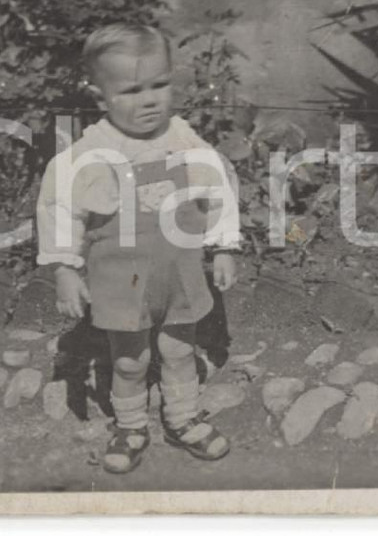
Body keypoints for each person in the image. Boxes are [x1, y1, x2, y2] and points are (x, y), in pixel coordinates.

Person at [36, 24, 241, 474]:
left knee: (179, 350)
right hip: (121, 278)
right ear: (99, 94)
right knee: (130, 359)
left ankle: (183, 417)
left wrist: (224, 245)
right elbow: (60, 207)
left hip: (179, 272)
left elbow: (217, 186)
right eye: (131, 91)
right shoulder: (90, 154)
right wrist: (65, 268)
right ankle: (130, 425)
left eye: (159, 85)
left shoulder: (184, 139)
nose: (149, 100)